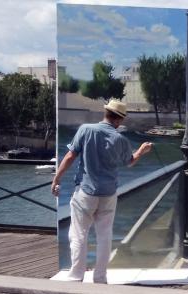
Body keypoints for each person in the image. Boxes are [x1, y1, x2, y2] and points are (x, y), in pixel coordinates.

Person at [51, 99, 153, 283]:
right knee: (104, 236)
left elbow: (69, 156)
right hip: (108, 194)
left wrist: (56, 178)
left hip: (85, 192)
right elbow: (130, 162)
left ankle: (75, 276)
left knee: (79, 235)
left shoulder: (85, 130)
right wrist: (141, 151)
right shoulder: (120, 139)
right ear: (119, 120)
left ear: (105, 113)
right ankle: (100, 278)